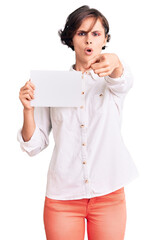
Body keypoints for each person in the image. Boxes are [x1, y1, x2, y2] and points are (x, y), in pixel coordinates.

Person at [17, 5, 139, 240]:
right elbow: (34, 145)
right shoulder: (52, 84)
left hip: (109, 194)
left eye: (96, 33)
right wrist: (28, 110)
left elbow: (122, 79)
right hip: (62, 197)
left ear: (105, 39)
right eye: (81, 33)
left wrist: (116, 62)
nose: (88, 40)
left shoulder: (112, 80)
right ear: (71, 38)